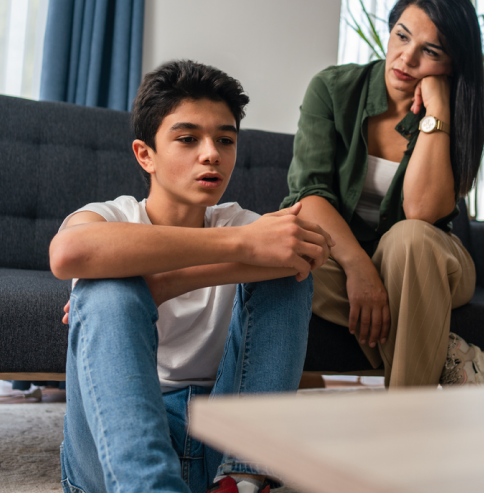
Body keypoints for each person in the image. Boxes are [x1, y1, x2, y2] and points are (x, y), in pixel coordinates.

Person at [50, 60, 333, 493]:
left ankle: (243, 477)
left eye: (225, 139)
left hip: (219, 439)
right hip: (114, 452)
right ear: (146, 155)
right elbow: (69, 252)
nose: (211, 153)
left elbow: (307, 251)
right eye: (188, 138)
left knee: (286, 273)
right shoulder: (112, 217)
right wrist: (241, 247)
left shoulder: (240, 221)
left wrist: (158, 286)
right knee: (108, 289)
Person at [282, 0, 484, 388]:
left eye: (431, 52)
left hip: (430, 265)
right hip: (342, 263)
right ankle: (448, 357)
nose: (406, 58)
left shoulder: (451, 113)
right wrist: (360, 269)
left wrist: (438, 112)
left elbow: (422, 212)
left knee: (408, 238)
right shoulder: (331, 89)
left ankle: (401, 423)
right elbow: (310, 195)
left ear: (452, 64)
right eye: (402, 35)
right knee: (284, 257)